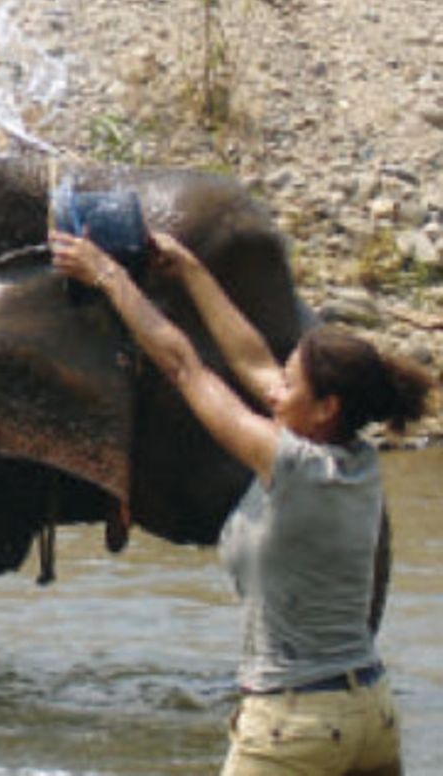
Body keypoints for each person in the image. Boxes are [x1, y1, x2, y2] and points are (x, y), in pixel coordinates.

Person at [51, 226, 436, 776]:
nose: (276, 387)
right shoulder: (358, 458)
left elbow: (184, 365)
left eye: (291, 383)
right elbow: (251, 359)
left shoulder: (292, 465)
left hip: (294, 724)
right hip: (370, 712)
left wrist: (107, 276)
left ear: (326, 407)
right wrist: (188, 267)